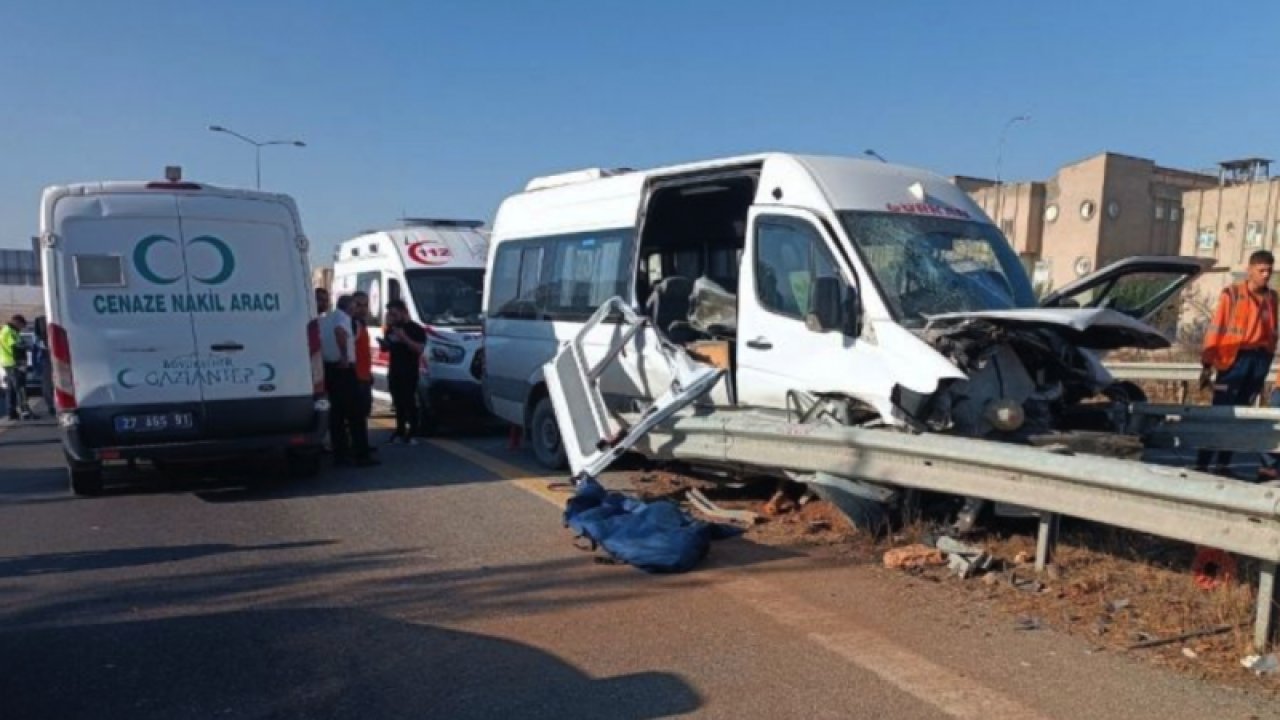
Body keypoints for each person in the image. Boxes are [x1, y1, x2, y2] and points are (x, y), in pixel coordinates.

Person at [1197, 250, 1278, 477]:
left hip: (1258, 360)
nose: (1265, 275)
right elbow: (1215, 329)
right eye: (1261, 270)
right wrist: (1207, 364)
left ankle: (1223, 464)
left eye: (1269, 271)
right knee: (1222, 413)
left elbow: (1272, 331)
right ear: (1250, 270)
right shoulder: (1231, 294)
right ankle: (1203, 462)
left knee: (1242, 414)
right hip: (1233, 360)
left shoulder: (1272, 298)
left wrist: (1267, 359)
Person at [321, 295, 377, 467]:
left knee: (336, 415)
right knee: (356, 415)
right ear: (348, 306)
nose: (356, 308)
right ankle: (361, 454)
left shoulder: (325, 319)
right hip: (345, 370)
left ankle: (341, 455)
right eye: (355, 305)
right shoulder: (343, 318)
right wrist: (344, 355)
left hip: (330, 368)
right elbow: (340, 332)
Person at [382, 299, 426, 444]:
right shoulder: (391, 329)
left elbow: (419, 349)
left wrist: (404, 338)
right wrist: (386, 344)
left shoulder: (415, 329)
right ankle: (400, 430)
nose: (392, 317)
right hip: (394, 369)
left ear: (403, 312)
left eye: (394, 314)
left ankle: (413, 430)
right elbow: (388, 347)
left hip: (409, 371)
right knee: (398, 402)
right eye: (390, 314)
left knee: (409, 401)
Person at [1, 314, 32, 421]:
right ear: (17, 323)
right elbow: (16, 347)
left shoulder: (5, 330)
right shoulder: (10, 332)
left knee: (11, 389)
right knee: (20, 388)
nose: (21, 329)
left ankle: (12, 412)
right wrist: (26, 347)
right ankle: (25, 412)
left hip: (7, 363)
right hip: (14, 363)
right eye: (21, 326)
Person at [351, 291, 375, 424]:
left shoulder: (362, 324)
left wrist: (369, 373)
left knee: (364, 411)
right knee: (358, 414)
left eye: (365, 305)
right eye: (359, 305)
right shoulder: (352, 324)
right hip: (355, 378)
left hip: (364, 376)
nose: (363, 309)